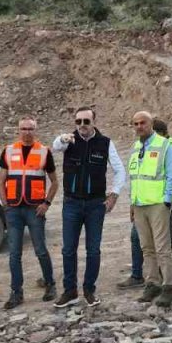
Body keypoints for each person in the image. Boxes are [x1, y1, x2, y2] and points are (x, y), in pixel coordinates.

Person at [51, 107, 126, 307]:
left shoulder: (105, 143)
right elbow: (55, 146)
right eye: (78, 122)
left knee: (93, 250)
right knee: (68, 249)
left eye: (86, 121)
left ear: (94, 121)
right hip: (72, 203)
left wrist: (114, 194)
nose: (82, 125)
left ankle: (89, 290)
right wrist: (62, 138)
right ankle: (70, 291)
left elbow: (119, 170)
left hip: (95, 205)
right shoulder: (69, 141)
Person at [0, 117, 58, 308]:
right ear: (18, 130)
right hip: (14, 209)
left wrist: (46, 203)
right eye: (23, 128)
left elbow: (55, 182)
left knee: (40, 249)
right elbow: (1, 181)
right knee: (14, 253)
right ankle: (16, 292)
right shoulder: (8, 151)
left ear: (35, 130)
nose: (27, 132)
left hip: (35, 209)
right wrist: (5, 205)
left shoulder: (44, 152)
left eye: (30, 128)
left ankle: (50, 285)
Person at [128, 111, 172, 306]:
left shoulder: (165, 145)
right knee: (146, 248)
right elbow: (134, 178)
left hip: (158, 204)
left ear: (151, 124)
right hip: (140, 205)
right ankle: (152, 283)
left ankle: (169, 286)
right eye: (136, 124)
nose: (139, 126)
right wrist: (133, 203)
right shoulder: (135, 147)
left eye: (143, 123)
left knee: (162, 248)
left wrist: (167, 200)